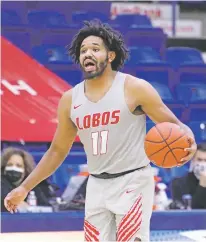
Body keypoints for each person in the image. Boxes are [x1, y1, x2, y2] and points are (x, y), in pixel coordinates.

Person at [4, 20, 197, 241]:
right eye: (83, 50)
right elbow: (57, 151)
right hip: (96, 184)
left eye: (95, 49)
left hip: (132, 180)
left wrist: (186, 137)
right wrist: (25, 187)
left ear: (111, 56)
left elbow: (173, 125)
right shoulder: (70, 99)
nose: (88, 54)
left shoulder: (134, 88)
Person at [1, 147, 56, 212]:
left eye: (18, 166)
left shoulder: (31, 185)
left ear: (25, 170)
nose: (13, 168)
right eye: (10, 164)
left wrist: (28, 208)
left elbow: (47, 207)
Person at [170, 143, 206, 209]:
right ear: (192, 161)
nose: (203, 164)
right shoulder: (178, 183)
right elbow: (190, 212)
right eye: (199, 160)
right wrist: (202, 185)